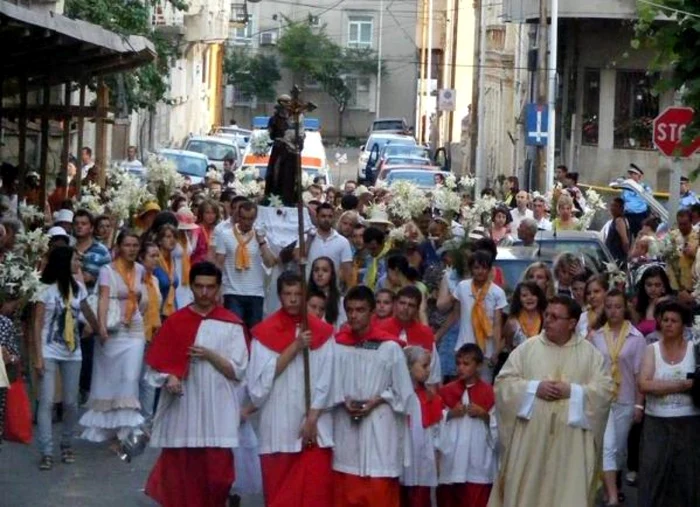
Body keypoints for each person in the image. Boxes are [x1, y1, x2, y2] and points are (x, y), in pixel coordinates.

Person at [489, 296, 614, 507]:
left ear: (572, 323)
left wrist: (573, 392)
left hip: (571, 444)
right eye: (547, 315)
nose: (547, 321)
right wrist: (533, 388)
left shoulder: (590, 355)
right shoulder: (527, 349)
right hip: (531, 441)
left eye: (555, 317)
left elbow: (604, 391)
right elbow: (503, 384)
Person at [144, 261, 249, 507]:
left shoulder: (231, 323)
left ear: (219, 288)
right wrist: (169, 378)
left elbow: (239, 370)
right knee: (182, 476)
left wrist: (209, 355)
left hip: (218, 409)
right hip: (185, 410)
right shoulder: (176, 322)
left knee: (218, 477)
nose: (204, 293)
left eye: (210, 287)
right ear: (191, 287)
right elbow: (155, 367)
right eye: (199, 287)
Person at [247, 271, 336, 507]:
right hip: (278, 427)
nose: (293, 299)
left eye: (298, 294)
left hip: (313, 429)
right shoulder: (263, 334)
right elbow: (256, 388)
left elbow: (328, 379)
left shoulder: (324, 334)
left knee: (314, 496)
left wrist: (313, 417)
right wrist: (295, 347)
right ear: (279, 296)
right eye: (288, 294)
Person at [332, 286, 414, 507]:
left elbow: (404, 393)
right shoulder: (338, 345)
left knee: (379, 495)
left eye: (360, 310)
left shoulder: (389, 348)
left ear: (372, 312)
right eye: (349, 310)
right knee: (346, 493)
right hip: (347, 434)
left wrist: (378, 399)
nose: (354, 315)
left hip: (380, 430)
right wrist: (343, 399)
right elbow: (328, 385)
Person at [33, 247, 104, 470]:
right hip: (49, 350)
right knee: (46, 401)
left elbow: (86, 310)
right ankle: (46, 450)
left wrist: (99, 329)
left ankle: (66, 442)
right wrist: (38, 356)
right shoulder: (45, 290)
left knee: (71, 403)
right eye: (75, 259)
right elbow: (38, 324)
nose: (79, 263)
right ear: (64, 262)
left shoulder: (78, 287)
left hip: (73, 352)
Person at [79, 230, 147, 445]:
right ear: (118, 247)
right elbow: (104, 298)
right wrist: (101, 327)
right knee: (109, 376)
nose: (131, 249)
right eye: (127, 245)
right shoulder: (107, 270)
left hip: (134, 325)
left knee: (130, 375)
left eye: (135, 245)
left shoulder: (140, 269)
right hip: (112, 325)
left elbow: (141, 295)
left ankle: (127, 427)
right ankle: (106, 426)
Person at [638, 299, 700, 507]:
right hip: (657, 422)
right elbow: (645, 384)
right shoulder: (651, 350)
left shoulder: (695, 351)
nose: (669, 324)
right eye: (665, 320)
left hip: (689, 422)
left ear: (684, 325)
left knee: (686, 479)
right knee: (653, 476)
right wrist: (685, 384)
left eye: (674, 320)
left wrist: (662, 385)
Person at [590, 289, 646, 507]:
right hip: (603, 399)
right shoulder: (596, 336)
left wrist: (639, 404)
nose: (613, 311)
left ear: (625, 308)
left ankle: (613, 485)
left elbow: (639, 372)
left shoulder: (636, 337)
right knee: (608, 445)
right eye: (609, 306)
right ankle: (612, 495)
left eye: (618, 306)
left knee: (619, 448)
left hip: (625, 397)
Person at [437, 344, 498, 507]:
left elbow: (499, 426)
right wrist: (449, 414)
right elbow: (434, 422)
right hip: (452, 459)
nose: (460, 368)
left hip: (476, 462)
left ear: (478, 366)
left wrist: (484, 415)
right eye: (458, 364)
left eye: (466, 364)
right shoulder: (446, 392)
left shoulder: (490, 393)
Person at [215, 201, 277, 329]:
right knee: (234, 330)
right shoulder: (225, 235)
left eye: (250, 219)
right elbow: (219, 264)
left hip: (256, 293)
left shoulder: (261, 236)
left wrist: (261, 241)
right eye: (243, 218)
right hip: (232, 292)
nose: (247, 223)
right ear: (238, 216)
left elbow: (270, 262)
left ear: (255, 218)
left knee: (254, 333)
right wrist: (217, 290)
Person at [451, 250, 507, 379]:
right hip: (464, 347)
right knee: (463, 387)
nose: (480, 271)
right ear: (471, 269)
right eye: (476, 267)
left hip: (486, 351)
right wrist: (439, 334)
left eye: (484, 268)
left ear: (489, 269)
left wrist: (496, 351)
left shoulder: (497, 292)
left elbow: (497, 325)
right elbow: (455, 315)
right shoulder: (462, 287)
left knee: (484, 387)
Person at [400, 346, 442, 507]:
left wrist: (436, 456)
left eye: (429, 365)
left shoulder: (431, 397)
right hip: (404, 457)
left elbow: (435, 431)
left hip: (423, 458)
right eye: (424, 366)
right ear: (409, 367)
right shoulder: (400, 397)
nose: (428, 370)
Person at [378, 286, 441, 386]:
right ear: (395, 304)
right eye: (402, 303)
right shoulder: (379, 329)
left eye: (411, 305)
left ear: (417, 309)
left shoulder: (426, 333)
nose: (405, 308)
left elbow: (433, 374)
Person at [308, 203, 353, 287]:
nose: (326, 219)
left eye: (330, 216)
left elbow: (347, 270)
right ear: (317, 217)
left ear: (334, 218)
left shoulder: (343, 242)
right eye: (323, 216)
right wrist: (309, 240)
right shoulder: (306, 237)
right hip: (309, 290)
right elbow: (297, 257)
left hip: (333, 292)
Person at [503, 281, 547, 350]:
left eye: (533, 294)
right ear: (519, 299)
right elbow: (508, 345)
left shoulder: (546, 319)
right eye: (524, 295)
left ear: (538, 297)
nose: (529, 298)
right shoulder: (512, 322)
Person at [308, 256, 346, 329]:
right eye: (316, 270)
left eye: (325, 270)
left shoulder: (340, 302)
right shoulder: (305, 299)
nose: (319, 274)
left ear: (332, 275)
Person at [622, 164, 651, 238]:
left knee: (639, 237)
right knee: (626, 237)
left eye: (634, 174)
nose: (631, 176)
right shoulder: (626, 187)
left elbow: (649, 202)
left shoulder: (645, 188)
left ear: (639, 176)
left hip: (640, 216)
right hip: (628, 216)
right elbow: (623, 200)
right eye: (631, 174)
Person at [576, 274, 609, 340]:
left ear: (606, 292)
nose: (592, 296)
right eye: (588, 293)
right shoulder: (582, 317)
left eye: (596, 291)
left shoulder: (613, 315)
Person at [606, 197, 630, 268]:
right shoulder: (617, 220)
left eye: (615, 206)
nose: (612, 208)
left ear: (621, 208)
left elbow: (625, 241)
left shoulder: (619, 221)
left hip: (617, 259)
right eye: (612, 205)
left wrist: (627, 257)